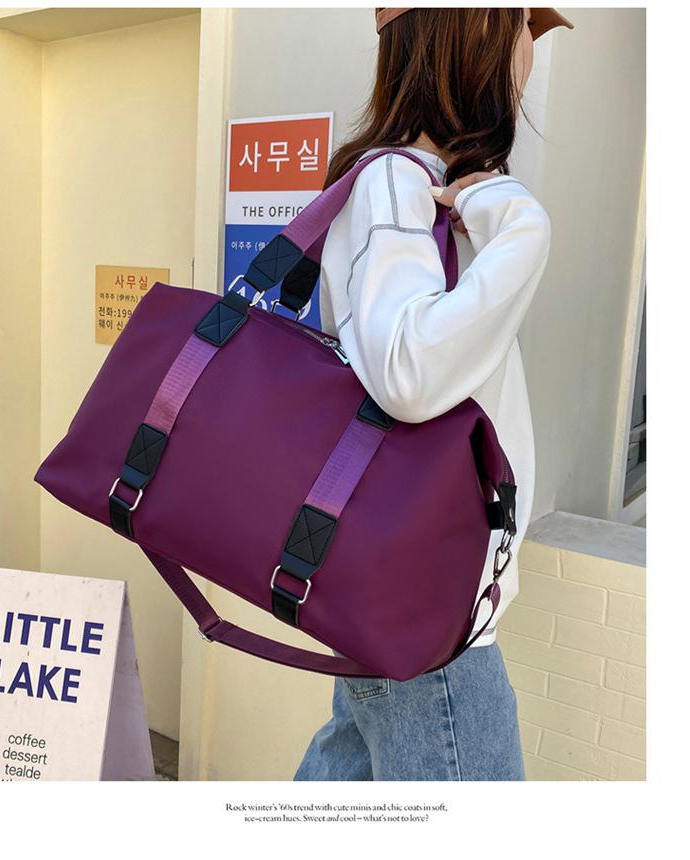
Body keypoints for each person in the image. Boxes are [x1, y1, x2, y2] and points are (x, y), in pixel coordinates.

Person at [293, 7, 574, 781]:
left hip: (409, 589)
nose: (527, 55)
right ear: (469, 35)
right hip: (435, 620)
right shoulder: (398, 182)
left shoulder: (428, 189)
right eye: (522, 29)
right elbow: (409, 372)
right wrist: (522, 226)